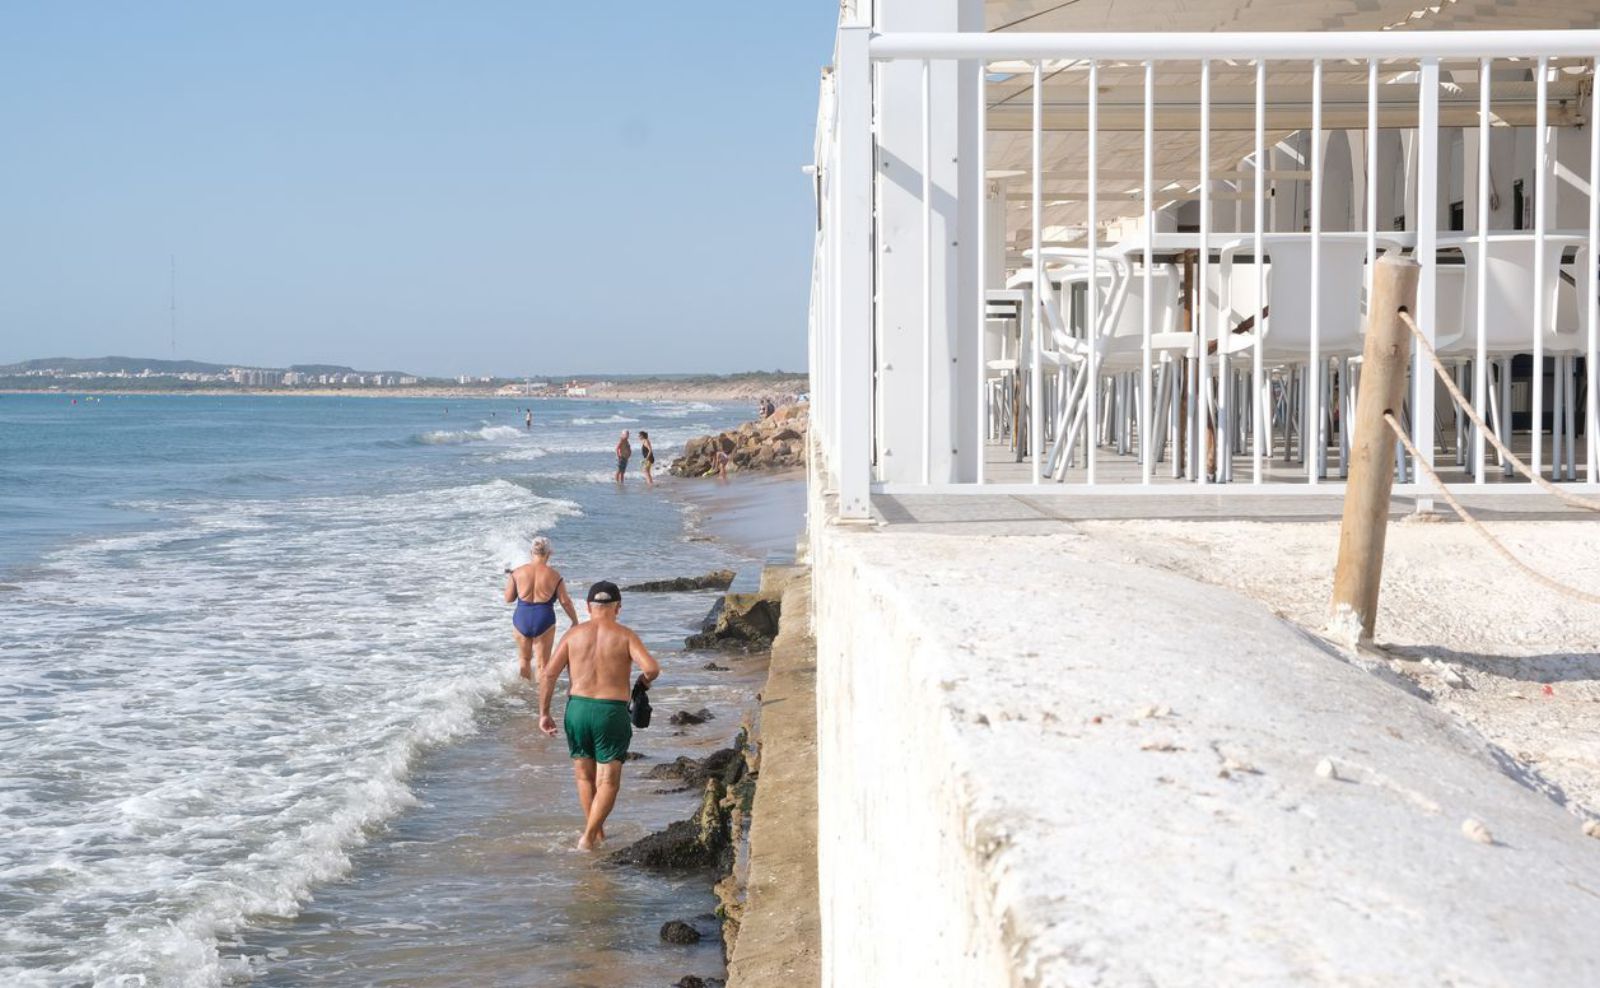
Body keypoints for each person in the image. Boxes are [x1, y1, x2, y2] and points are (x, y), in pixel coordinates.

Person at [539, 581, 660, 850]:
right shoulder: (625, 635)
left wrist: (544, 713)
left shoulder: (573, 635)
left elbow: (548, 674)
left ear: (588, 607)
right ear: (618, 607)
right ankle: (589, 837)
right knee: (608, 781)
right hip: (610, 712)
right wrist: (642, 683)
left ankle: (597, 834)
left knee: (584, 776)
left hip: (577, 709)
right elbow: (652, 668)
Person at [503, 536, 579, 682]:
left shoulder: (517, 573)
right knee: (542, 665)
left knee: (524, 660)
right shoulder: (555, 575)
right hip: (544, 619)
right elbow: (566, 602)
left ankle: (524, 699)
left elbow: (508, 599)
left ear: (531, 552)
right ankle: (540, 697)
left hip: (522, 618)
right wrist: (574, 621)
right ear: (549, 553)